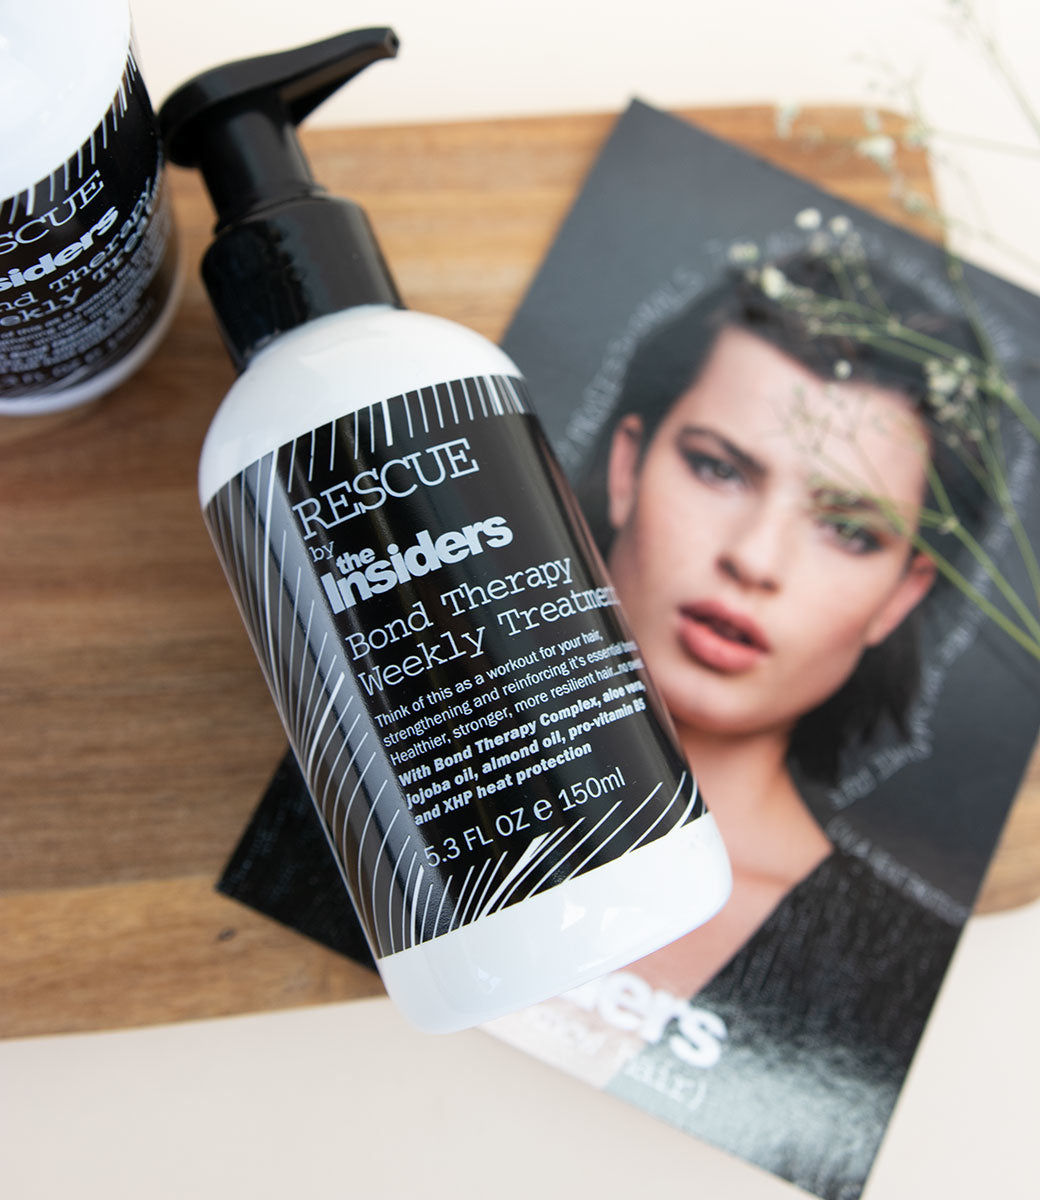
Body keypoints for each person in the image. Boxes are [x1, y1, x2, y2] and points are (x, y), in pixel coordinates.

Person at [494, 252, 991, 1200]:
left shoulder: (895, 972)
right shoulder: (395, 781)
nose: (755, 560)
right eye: (719, 469)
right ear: (630, 468)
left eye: (849, 528)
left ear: (901, 595)